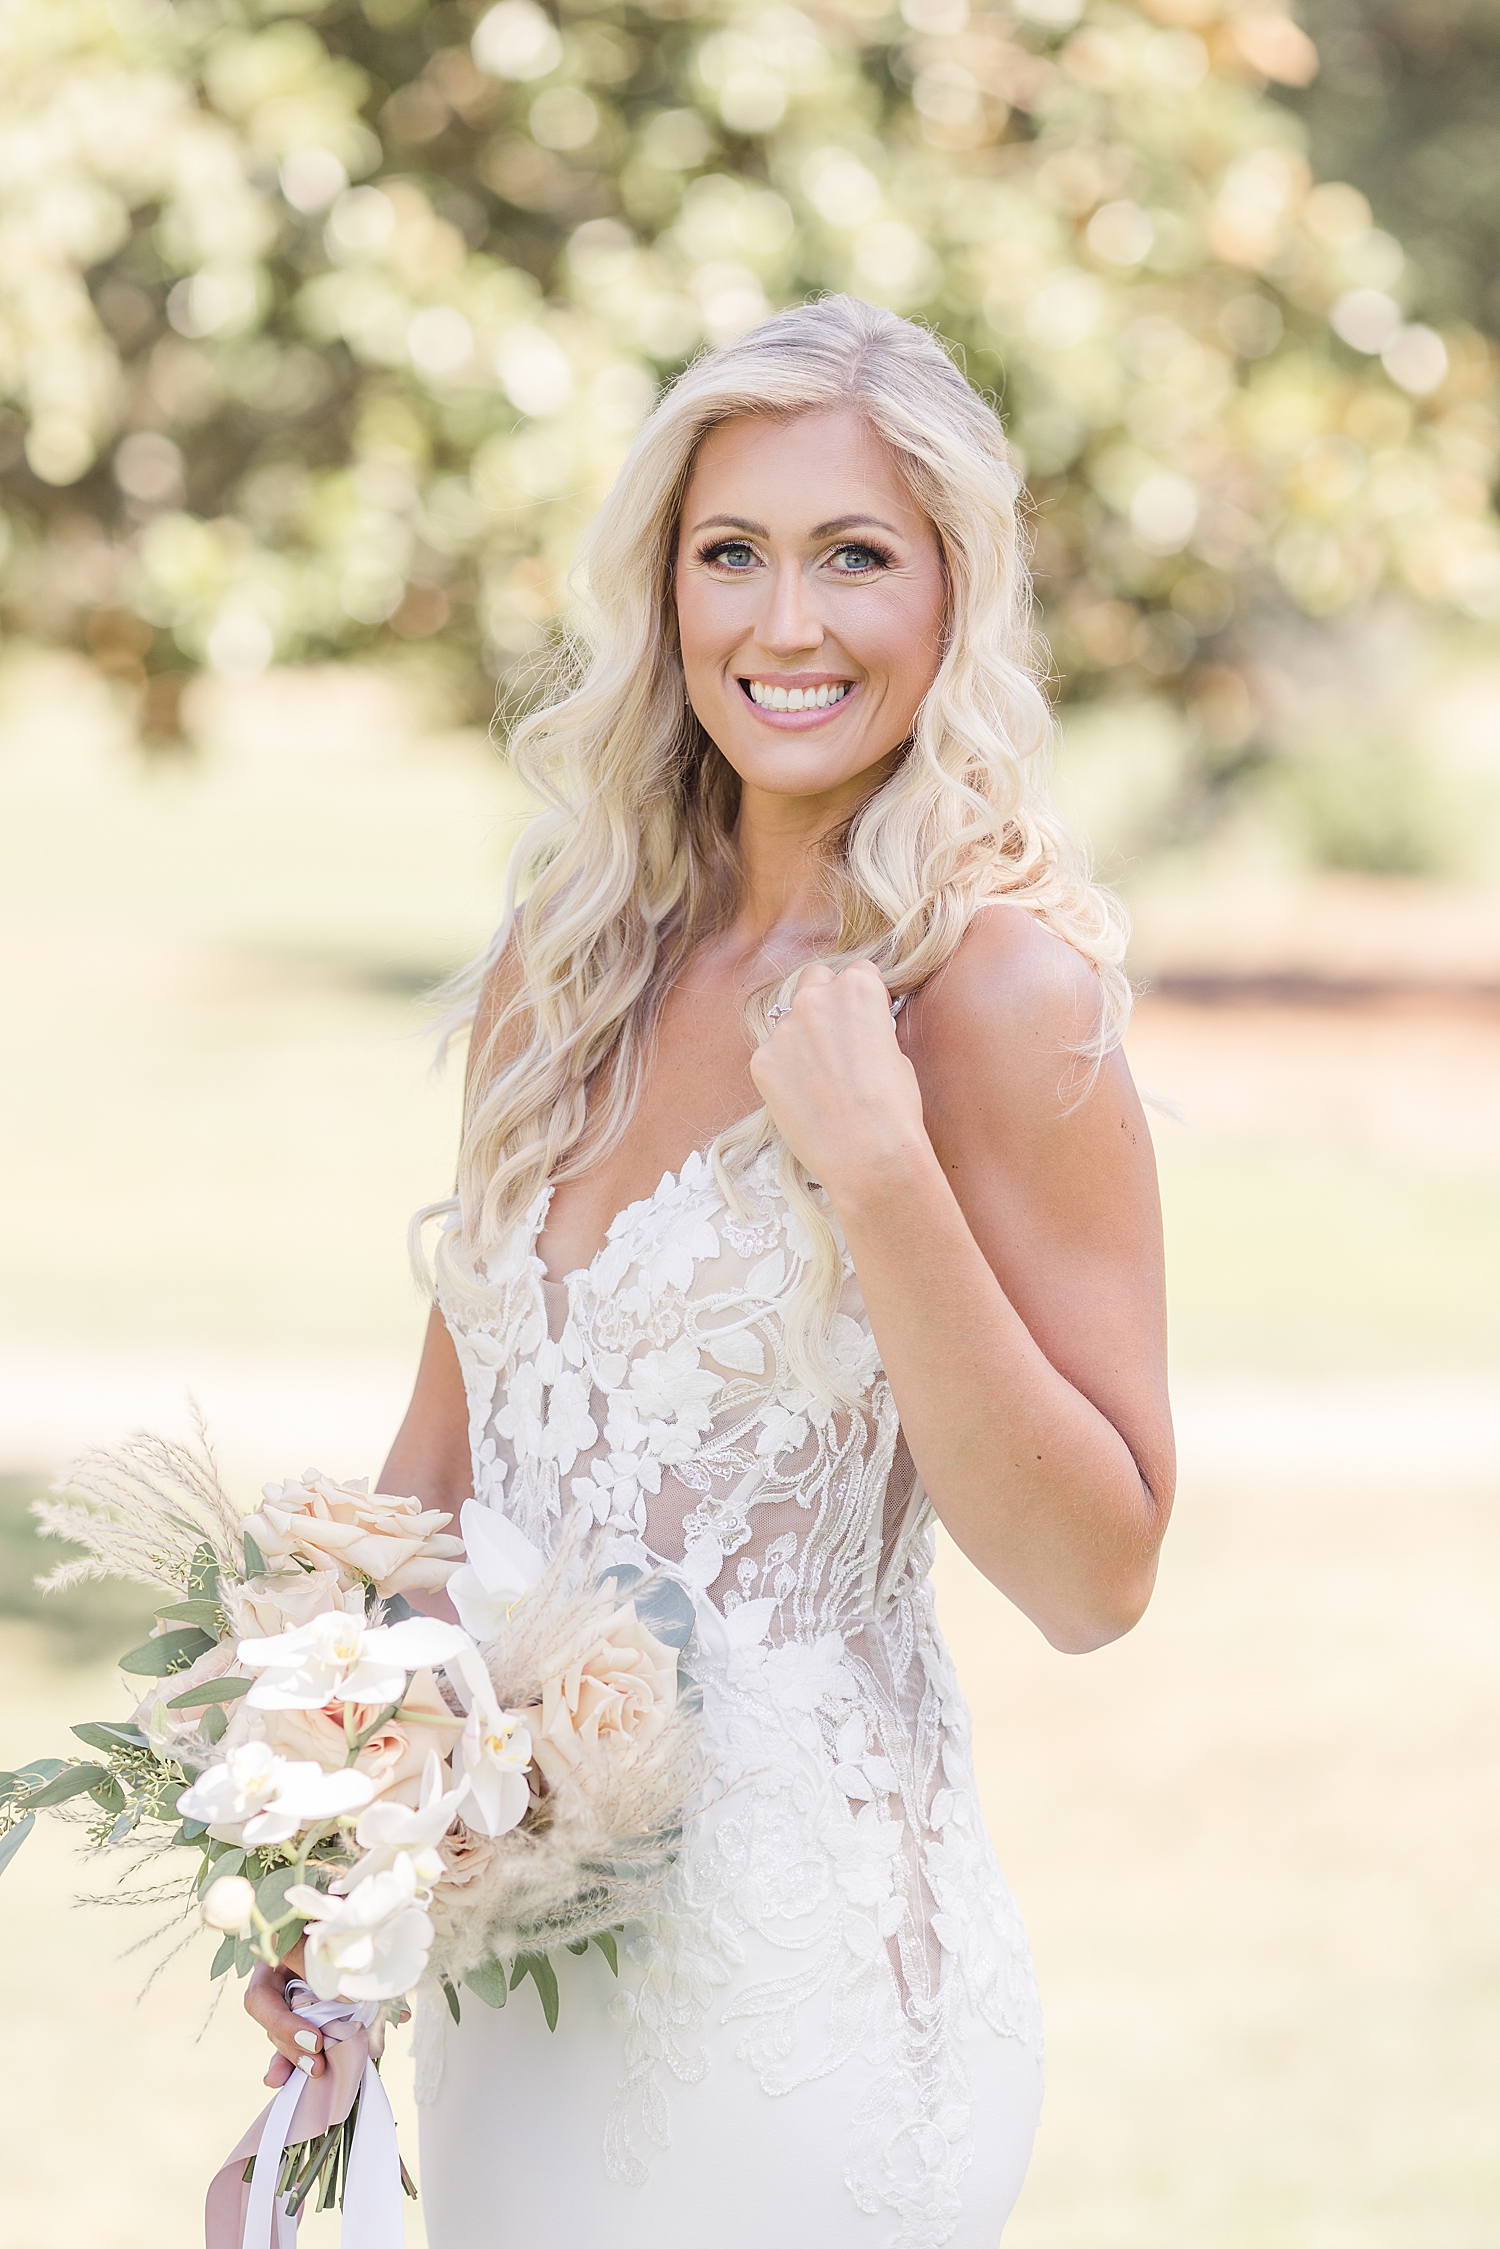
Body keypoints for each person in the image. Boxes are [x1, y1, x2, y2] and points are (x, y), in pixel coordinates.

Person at [247, 294, 1174, 2247]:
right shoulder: (569, 961)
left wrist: (883, 1173)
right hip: (519, 1982)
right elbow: (443, 1468)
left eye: (857, 556)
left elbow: (1100, 1576)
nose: (787, 623)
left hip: (808, 2010)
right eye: (730, 553)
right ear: (662, 589)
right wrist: (328, 1888)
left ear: (955, 591)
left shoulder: (1002, 992)